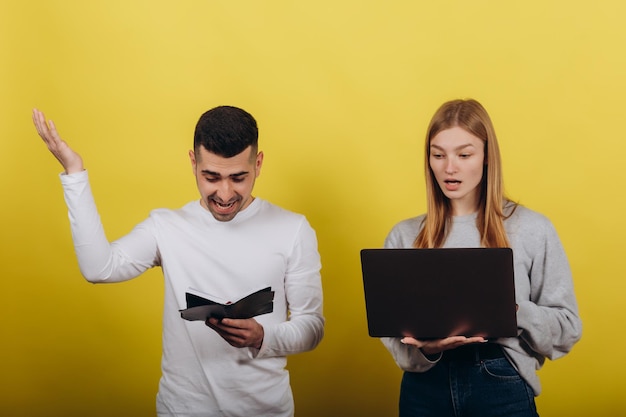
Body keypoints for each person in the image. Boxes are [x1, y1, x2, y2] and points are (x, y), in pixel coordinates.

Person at [32, 106, 324, 417]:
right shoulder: (165, 227)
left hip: (265, 410)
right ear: (193, 162)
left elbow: (312, 326)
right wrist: (74, 173)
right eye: (211, 176)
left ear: (259, 164)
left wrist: (264, 336)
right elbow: (98, 268)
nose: (225, 193)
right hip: (182, 409)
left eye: (239, 177)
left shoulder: (293, 229)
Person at [381, 99, 582, 417]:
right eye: (438, 154)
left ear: (487, 157)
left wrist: (512, 311)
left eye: (464, 154)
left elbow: (567, 328)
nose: (449, 167)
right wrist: (429, 351)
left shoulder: (531, 228)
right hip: (423, 391)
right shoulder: (404, 236)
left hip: (500, 383)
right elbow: (394, 337)